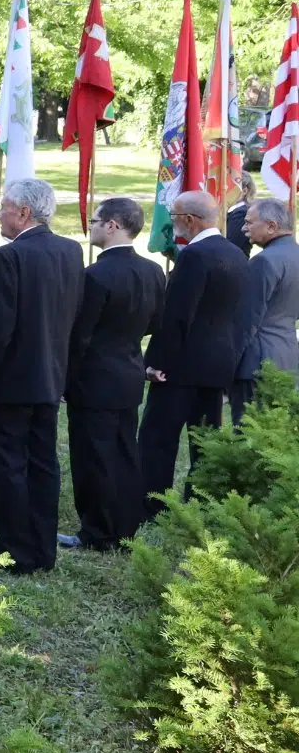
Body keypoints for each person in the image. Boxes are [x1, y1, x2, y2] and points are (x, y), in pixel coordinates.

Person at [0, 177, 85, 575]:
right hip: (50, 377)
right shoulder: (70, 251)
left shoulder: (7, 257)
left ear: (23, 212)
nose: (0, 214)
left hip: (12, 383)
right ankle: (42, 550)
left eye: (4, 207)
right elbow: (74, 319)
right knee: (43, 464)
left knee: (10, 467)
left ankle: (14, 552)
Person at [62, 197, 165, 551]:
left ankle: (97, 531)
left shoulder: (94, 275)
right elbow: (155, 323)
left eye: (94, 221)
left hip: (94, 378)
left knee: (93, 457)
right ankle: (124, 526)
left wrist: (66, 380)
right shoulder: (153, 271)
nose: (90, 227)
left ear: (112, 225)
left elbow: (79, 335)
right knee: (124, 453)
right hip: (129, 371)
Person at [140, 189, 250, 513]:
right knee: (205, 444)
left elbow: (177, 316)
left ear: (189, 219)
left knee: (157, 440)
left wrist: (155, 363)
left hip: (179, 368)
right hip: (217, 364)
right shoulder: (236, 254)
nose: (172, 223)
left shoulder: (193, 256)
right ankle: (200, 506)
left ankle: (153, 507)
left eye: (174, 217)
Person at [234, 197, 299, 421]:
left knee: (249, 430)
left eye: (249, 222)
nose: (244, 228)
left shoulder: (264, 261)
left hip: (256, 361)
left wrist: (228, 364)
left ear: (271, 226)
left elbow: (246, 319)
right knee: (275, 430)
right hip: (288, 356)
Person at [226, 172, 258, 255]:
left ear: (244, 191)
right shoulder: (235, 211)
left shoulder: (241, 214)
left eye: (229, 188)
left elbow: (232, 245)